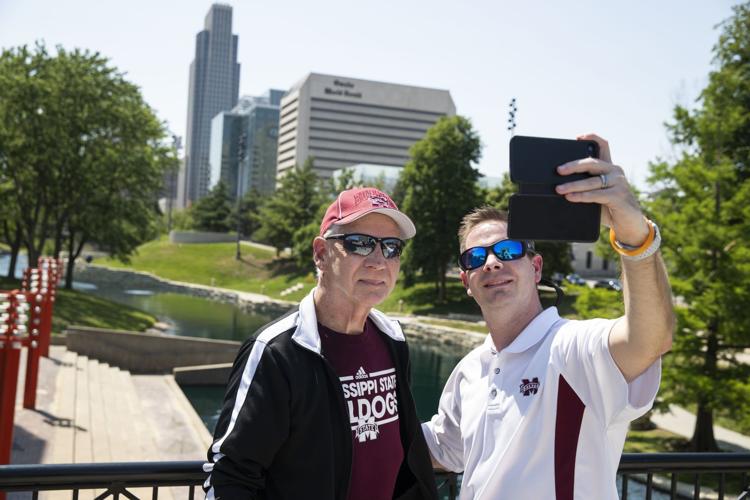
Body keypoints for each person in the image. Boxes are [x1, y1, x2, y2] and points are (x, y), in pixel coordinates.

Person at [422, 134, 675, 500]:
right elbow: (443, 449)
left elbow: (650, 339)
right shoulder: (470, 370)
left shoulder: (572, 349)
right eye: (475, 258)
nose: (492, 262)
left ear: (535, 267)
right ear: (466, 281)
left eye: (508, 250)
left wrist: (634, 233)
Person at [203, 187, 438, 500]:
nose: (379, 261)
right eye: (361, 244)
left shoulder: (393, 341)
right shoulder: (277, 352)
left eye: (392, 247)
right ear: (321, 253)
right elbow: (231, 475)